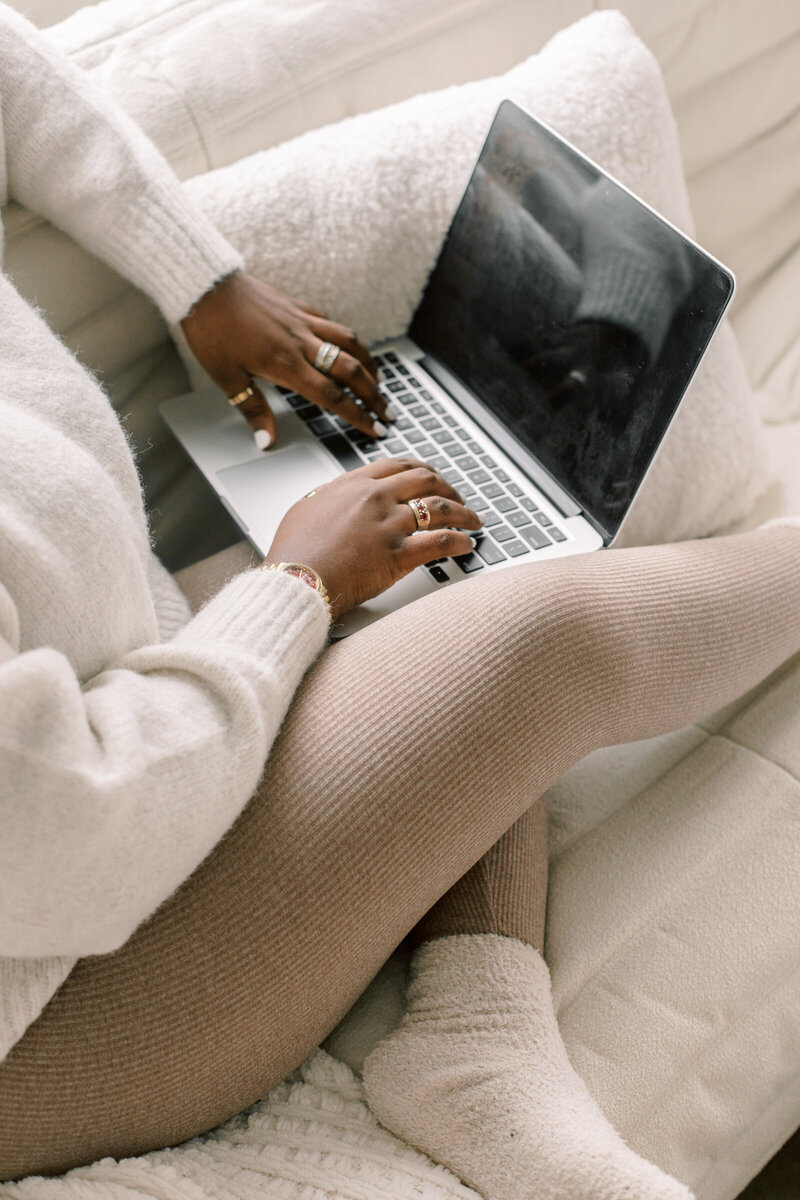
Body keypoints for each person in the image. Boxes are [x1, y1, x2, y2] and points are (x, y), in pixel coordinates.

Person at [0, 5, 798, 1198]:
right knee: (541, 629)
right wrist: (297, 587)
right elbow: (68, 837)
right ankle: (469, 1059)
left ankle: (471, 1031)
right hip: (63, 998)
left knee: (424, 529)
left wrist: (199, 279)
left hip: (105, 731)